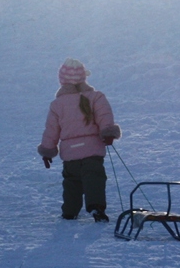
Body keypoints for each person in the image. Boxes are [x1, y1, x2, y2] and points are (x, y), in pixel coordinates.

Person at [37, 59, 121, 222]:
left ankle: (69, 211)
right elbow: (105, 117)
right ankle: (96, 207)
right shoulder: (96, 97)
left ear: (62, 80)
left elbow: (51, 131)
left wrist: (48, 151)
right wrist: (107, 133)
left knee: (72, 182)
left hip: (70, 153)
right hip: (92, 150)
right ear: (84, 78)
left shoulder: (57, 104)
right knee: (94, 179)